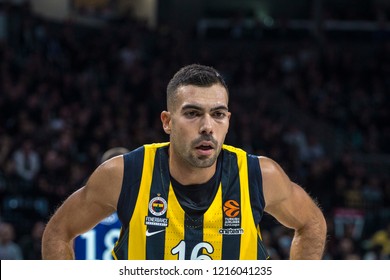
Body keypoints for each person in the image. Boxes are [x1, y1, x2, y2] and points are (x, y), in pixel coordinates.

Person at [42, 64, 326, 260]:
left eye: (218, 114)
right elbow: (57, 233)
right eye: (192, 113)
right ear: (167, 121)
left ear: (228, 120)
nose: (207, 127)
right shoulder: (125, 173)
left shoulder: (260, 175)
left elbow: (312, 223)